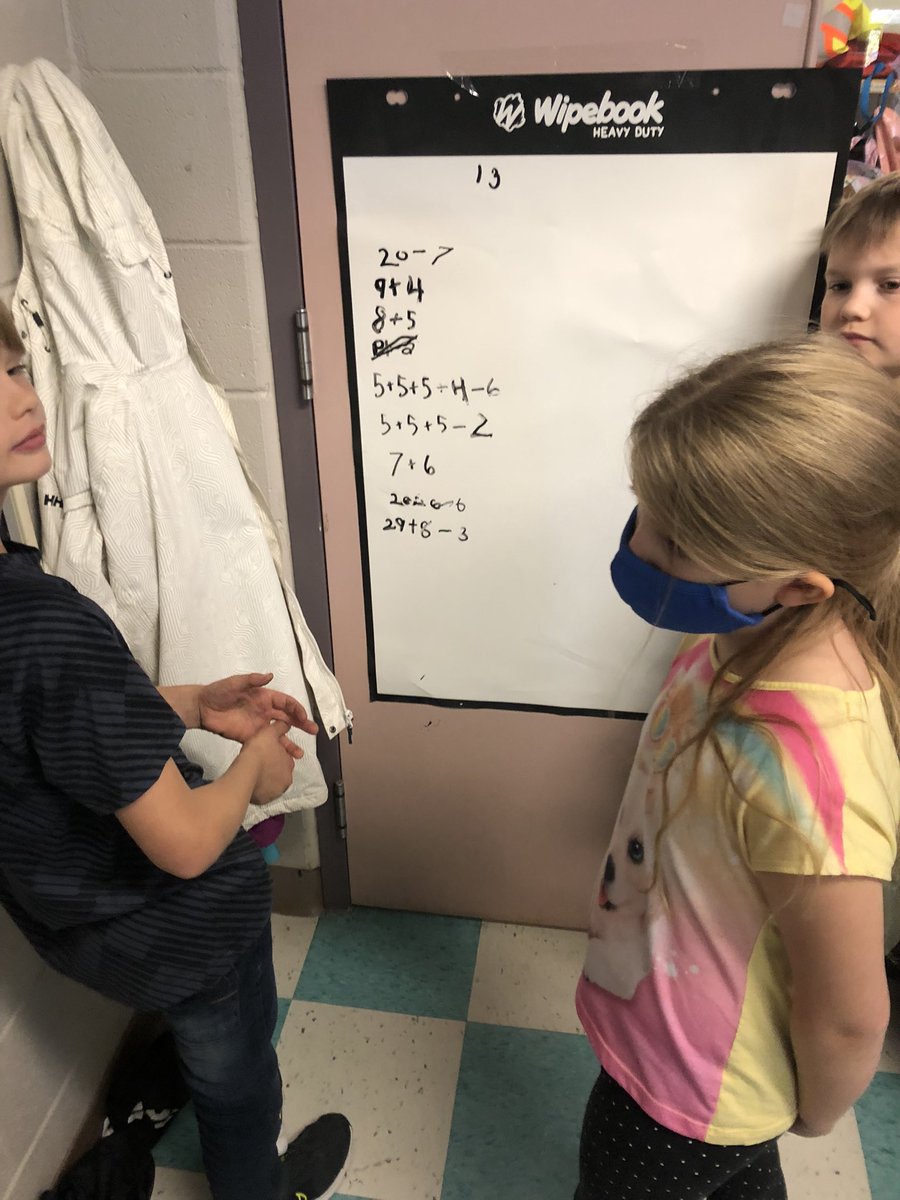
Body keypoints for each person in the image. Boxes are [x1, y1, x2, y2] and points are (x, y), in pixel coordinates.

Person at [0, 300, 351, 1200]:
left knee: (197, 1028)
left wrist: (188, 701)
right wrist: (254, 772)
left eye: (10, 369)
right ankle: (256, 1186)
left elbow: (38, 730)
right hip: (180, 925)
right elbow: (189, 843)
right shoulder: (44, 622)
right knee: (237, 1073)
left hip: (72, 925)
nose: (21, 398)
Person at [575, 336, 900, 1200]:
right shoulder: (746, 633)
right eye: (643, 509)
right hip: (680, 1041)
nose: (640, 546)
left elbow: (851, 1013)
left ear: (799, 586)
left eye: (674, 542)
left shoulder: (811, 771)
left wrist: (818, 1116)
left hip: (683, 1098)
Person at [819, 174, 900, 971]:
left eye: (890, 285)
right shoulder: (825, 408)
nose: (852, 306)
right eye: (840, 283)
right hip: (839, 674)